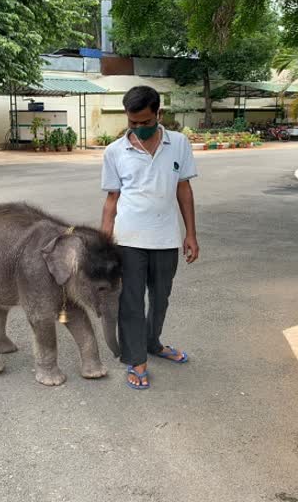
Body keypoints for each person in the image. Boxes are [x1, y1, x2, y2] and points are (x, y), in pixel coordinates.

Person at [100, 85, 199, 390]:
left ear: (159, 113)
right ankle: (136, 358)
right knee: (130, 302)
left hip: (166, 238)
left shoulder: (179, 143)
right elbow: (112, 200)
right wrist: (104, 244)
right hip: (128, 239)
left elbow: (184, 188)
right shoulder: (115, 151)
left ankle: (153, 343)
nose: (139, 129)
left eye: (145, 122)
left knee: (160, 298)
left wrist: (191, 234)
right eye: (133, 123)